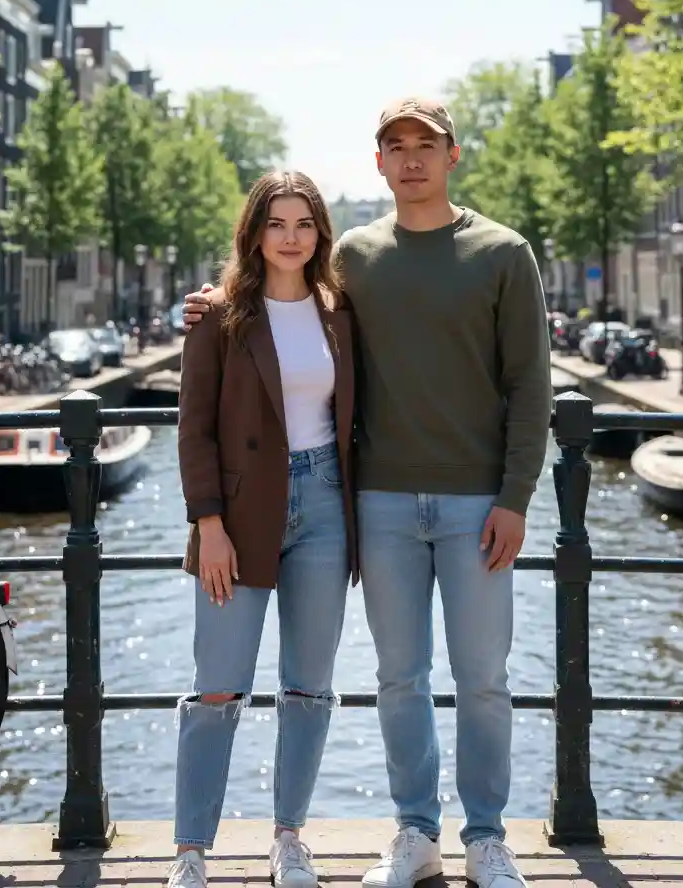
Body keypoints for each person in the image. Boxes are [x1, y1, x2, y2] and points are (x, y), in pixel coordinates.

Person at [182, 98, 551, 888]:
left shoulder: (503, 253)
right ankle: (415, 832)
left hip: (477, 503)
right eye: (396, 146)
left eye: (427, 145)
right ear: (377, 162)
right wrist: (210, 306)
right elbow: (278, 295)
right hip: (377, 502)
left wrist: (517, 497)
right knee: (398, 677)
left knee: (484, 678)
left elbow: (531, 387)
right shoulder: (354, 258)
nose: (411, 158)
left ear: (454, 155)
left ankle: (487, 838)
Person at [168, 171, 358, 888]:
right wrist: (208, 525)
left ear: (320, 234)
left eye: (303, 223)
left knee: (309, 687)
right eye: (275, 223)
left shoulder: (340, 312)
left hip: (324, 508)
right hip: (239, 514)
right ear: (252, 233)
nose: (290, 237)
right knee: (217, 688)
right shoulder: (218, 316)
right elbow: (195, 431)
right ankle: (190, 851)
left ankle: (288, 839)